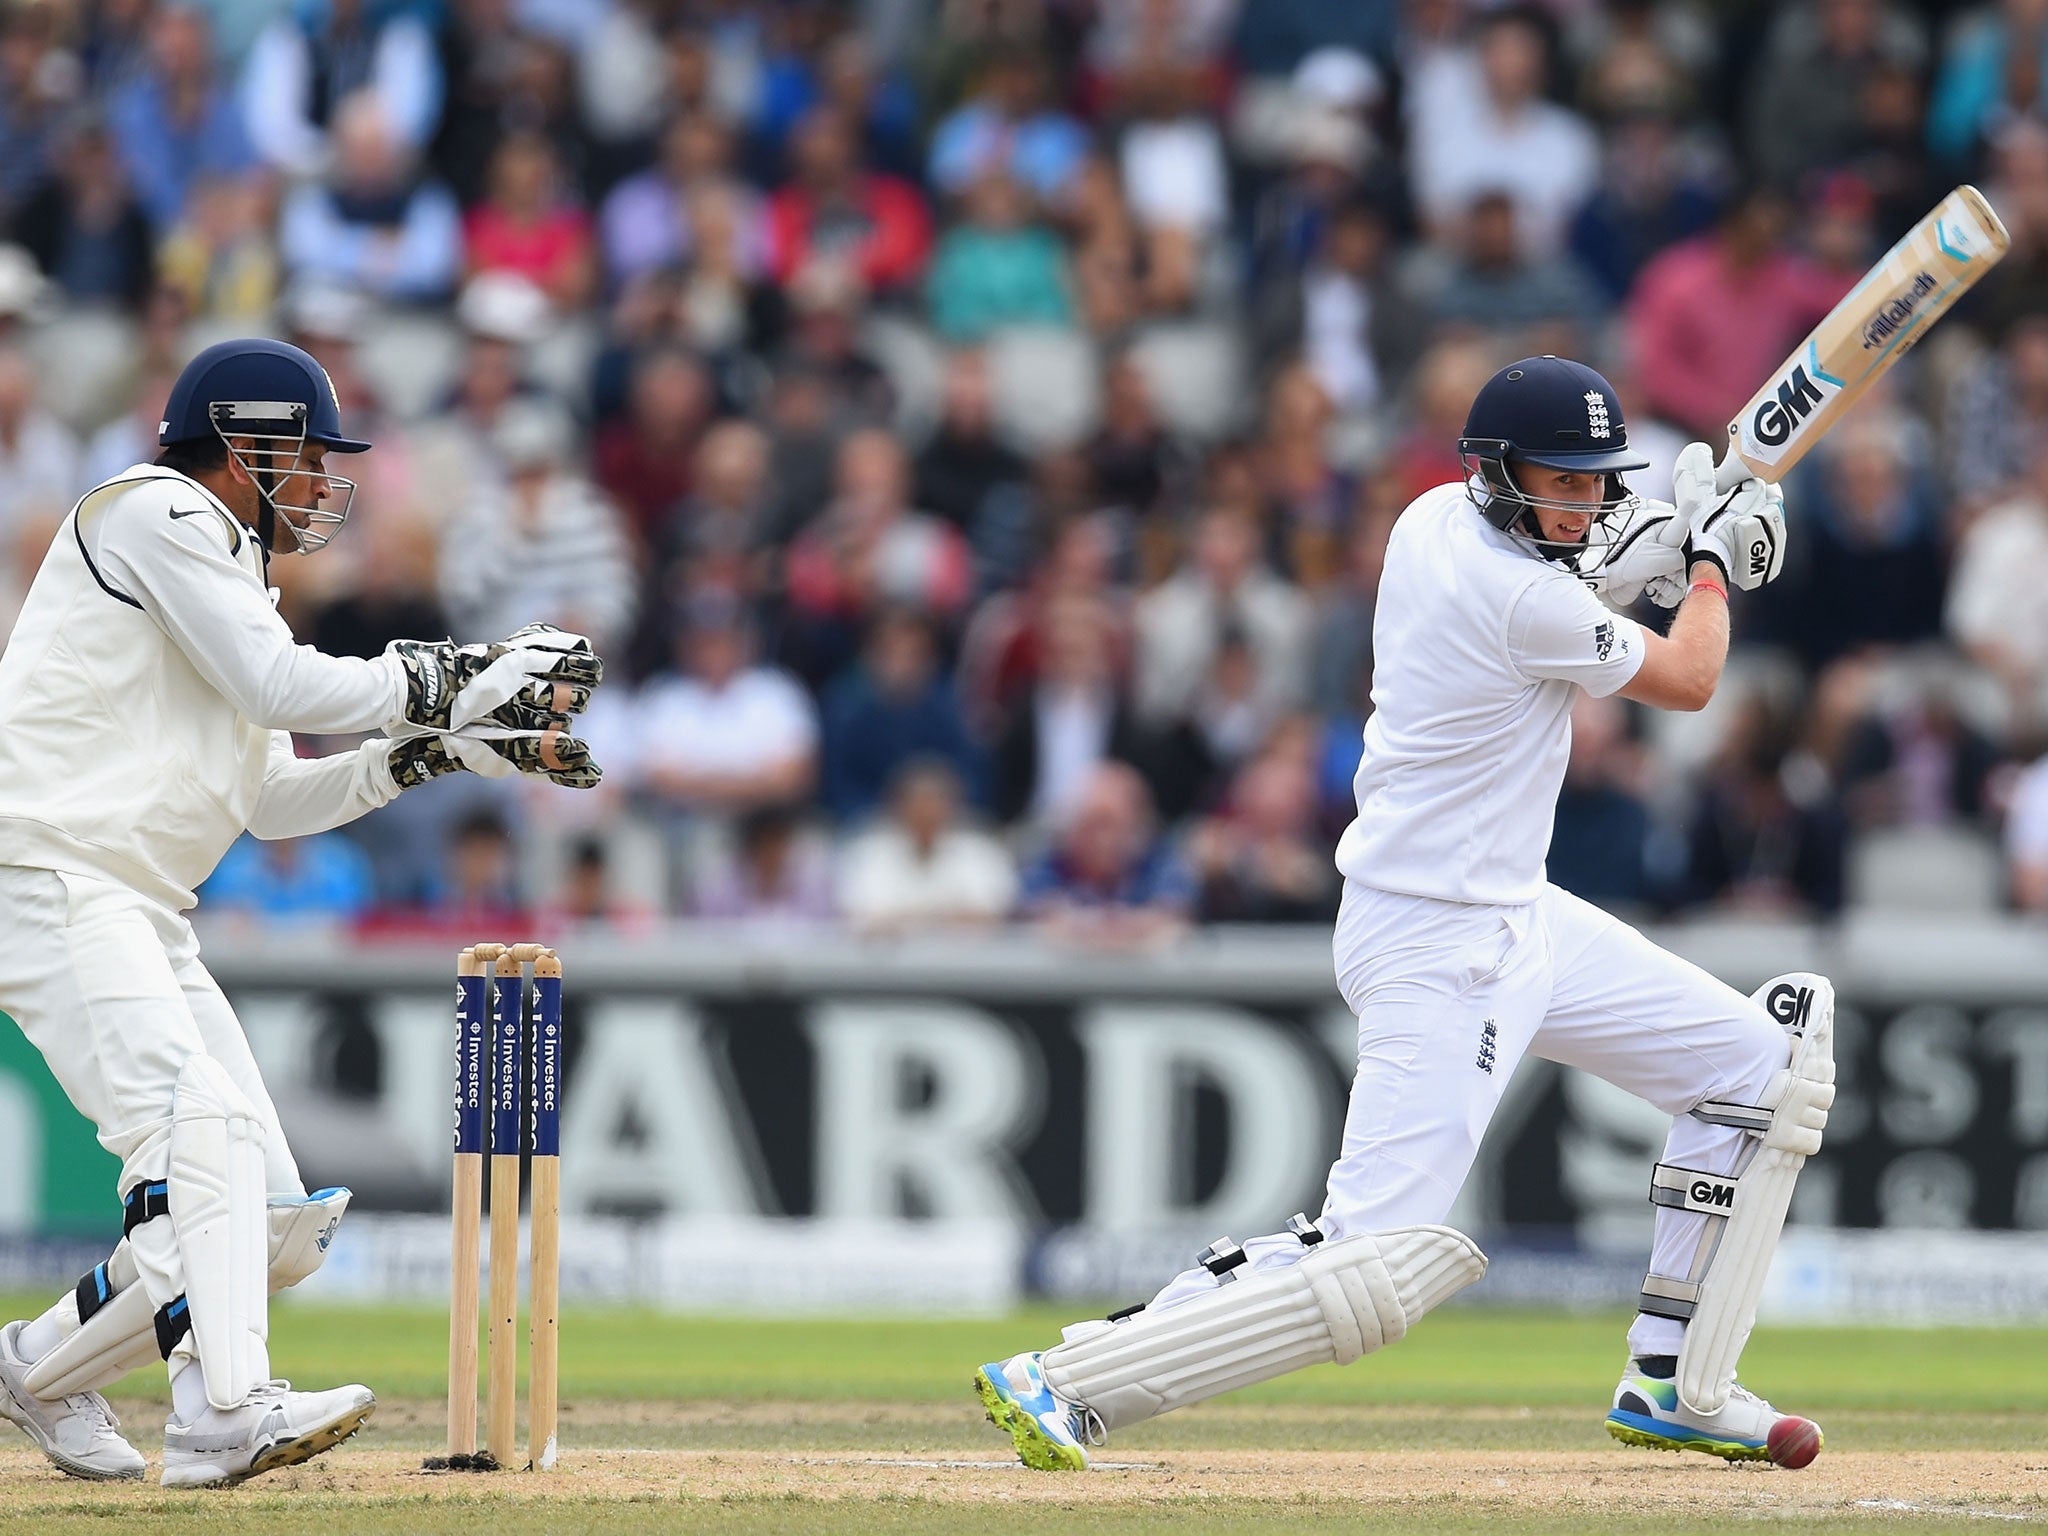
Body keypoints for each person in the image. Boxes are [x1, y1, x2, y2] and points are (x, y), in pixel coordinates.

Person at [976, 355, 1833, 1474]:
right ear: (1494, 473)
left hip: (1515, 913)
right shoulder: (1515, 593)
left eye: (1592, 482)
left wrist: (1667, 544)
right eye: (1557, 481)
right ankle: (1075, 1376)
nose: (1579, 502)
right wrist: (1710, 561)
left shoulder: (1432, 519)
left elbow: (1591, 571)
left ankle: (1671, 1379)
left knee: (1761, 1073)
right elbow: (1686, 680)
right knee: (1374, 1259)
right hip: (1438, 939)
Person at [0, 338, 604, 1487]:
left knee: (273, 1218)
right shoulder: (150, 513)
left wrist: (433, 751)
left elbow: (272, 796)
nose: (320, 483)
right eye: (303, 454)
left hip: (137, 902)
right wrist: (449, 676)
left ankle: (38, 1366)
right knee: (195, 1134)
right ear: (240, 444)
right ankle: (224, 1414)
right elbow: (284, 686)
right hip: (49, 874)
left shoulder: (224, 574)